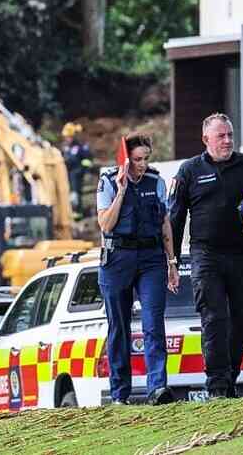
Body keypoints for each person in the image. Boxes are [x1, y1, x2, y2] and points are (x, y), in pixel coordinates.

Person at [169, 113, 243, 399]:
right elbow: (175, 218)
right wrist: (169, 260)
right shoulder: (189, 171)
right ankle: (217, 385)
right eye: (221, 136)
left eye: (230, 135)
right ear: (206, 139)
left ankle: (230, 376)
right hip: (205, 254)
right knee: (214, 315)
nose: (228, 140)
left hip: (241, 252)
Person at [96, 132, 179, 406]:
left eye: (146, 159)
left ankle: (157, 388)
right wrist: (121, 190)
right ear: (125, 159)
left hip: (151, 259)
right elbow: (106, 225)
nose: (142, 165)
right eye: (137, 159)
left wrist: (172, 262)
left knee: (153, 323)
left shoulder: (156, 181)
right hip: (117, 257)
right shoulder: (107, 181)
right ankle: (120, 393)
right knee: (118, 326)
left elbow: (165, 222)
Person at [61, 122, 93, 218]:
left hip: (77, 174)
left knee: (75, 193)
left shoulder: (80, 147)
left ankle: (77, 212)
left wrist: (81, 170)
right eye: (66, 137)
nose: (67, 139)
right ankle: (69, 211)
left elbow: (88, 160)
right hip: (67, 174)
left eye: (69, 137)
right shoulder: (66, 147)